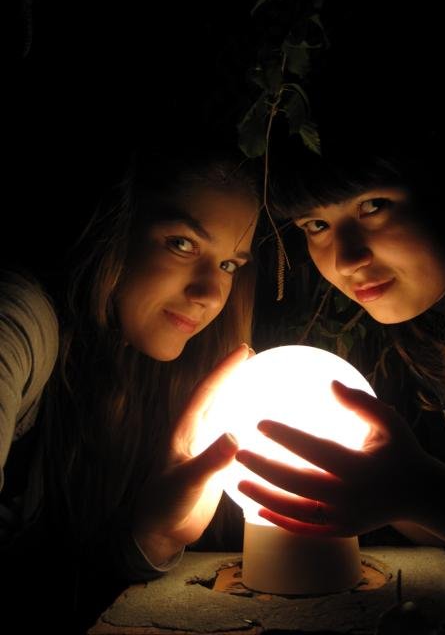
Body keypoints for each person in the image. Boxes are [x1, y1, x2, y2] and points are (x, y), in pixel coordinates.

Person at [0, 143, 261, 630]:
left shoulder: (120, 371)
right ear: (114, 229)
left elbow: (53, 585)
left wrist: (156, 535)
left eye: (230, 264)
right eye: (182, 243)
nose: (210, 294)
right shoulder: (18, 320)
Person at [233, 132, 445, 628]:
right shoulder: (437, 340)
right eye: (316, 224)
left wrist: (417, 491)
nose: (346, 259)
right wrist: (382, 494)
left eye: (373, 205)